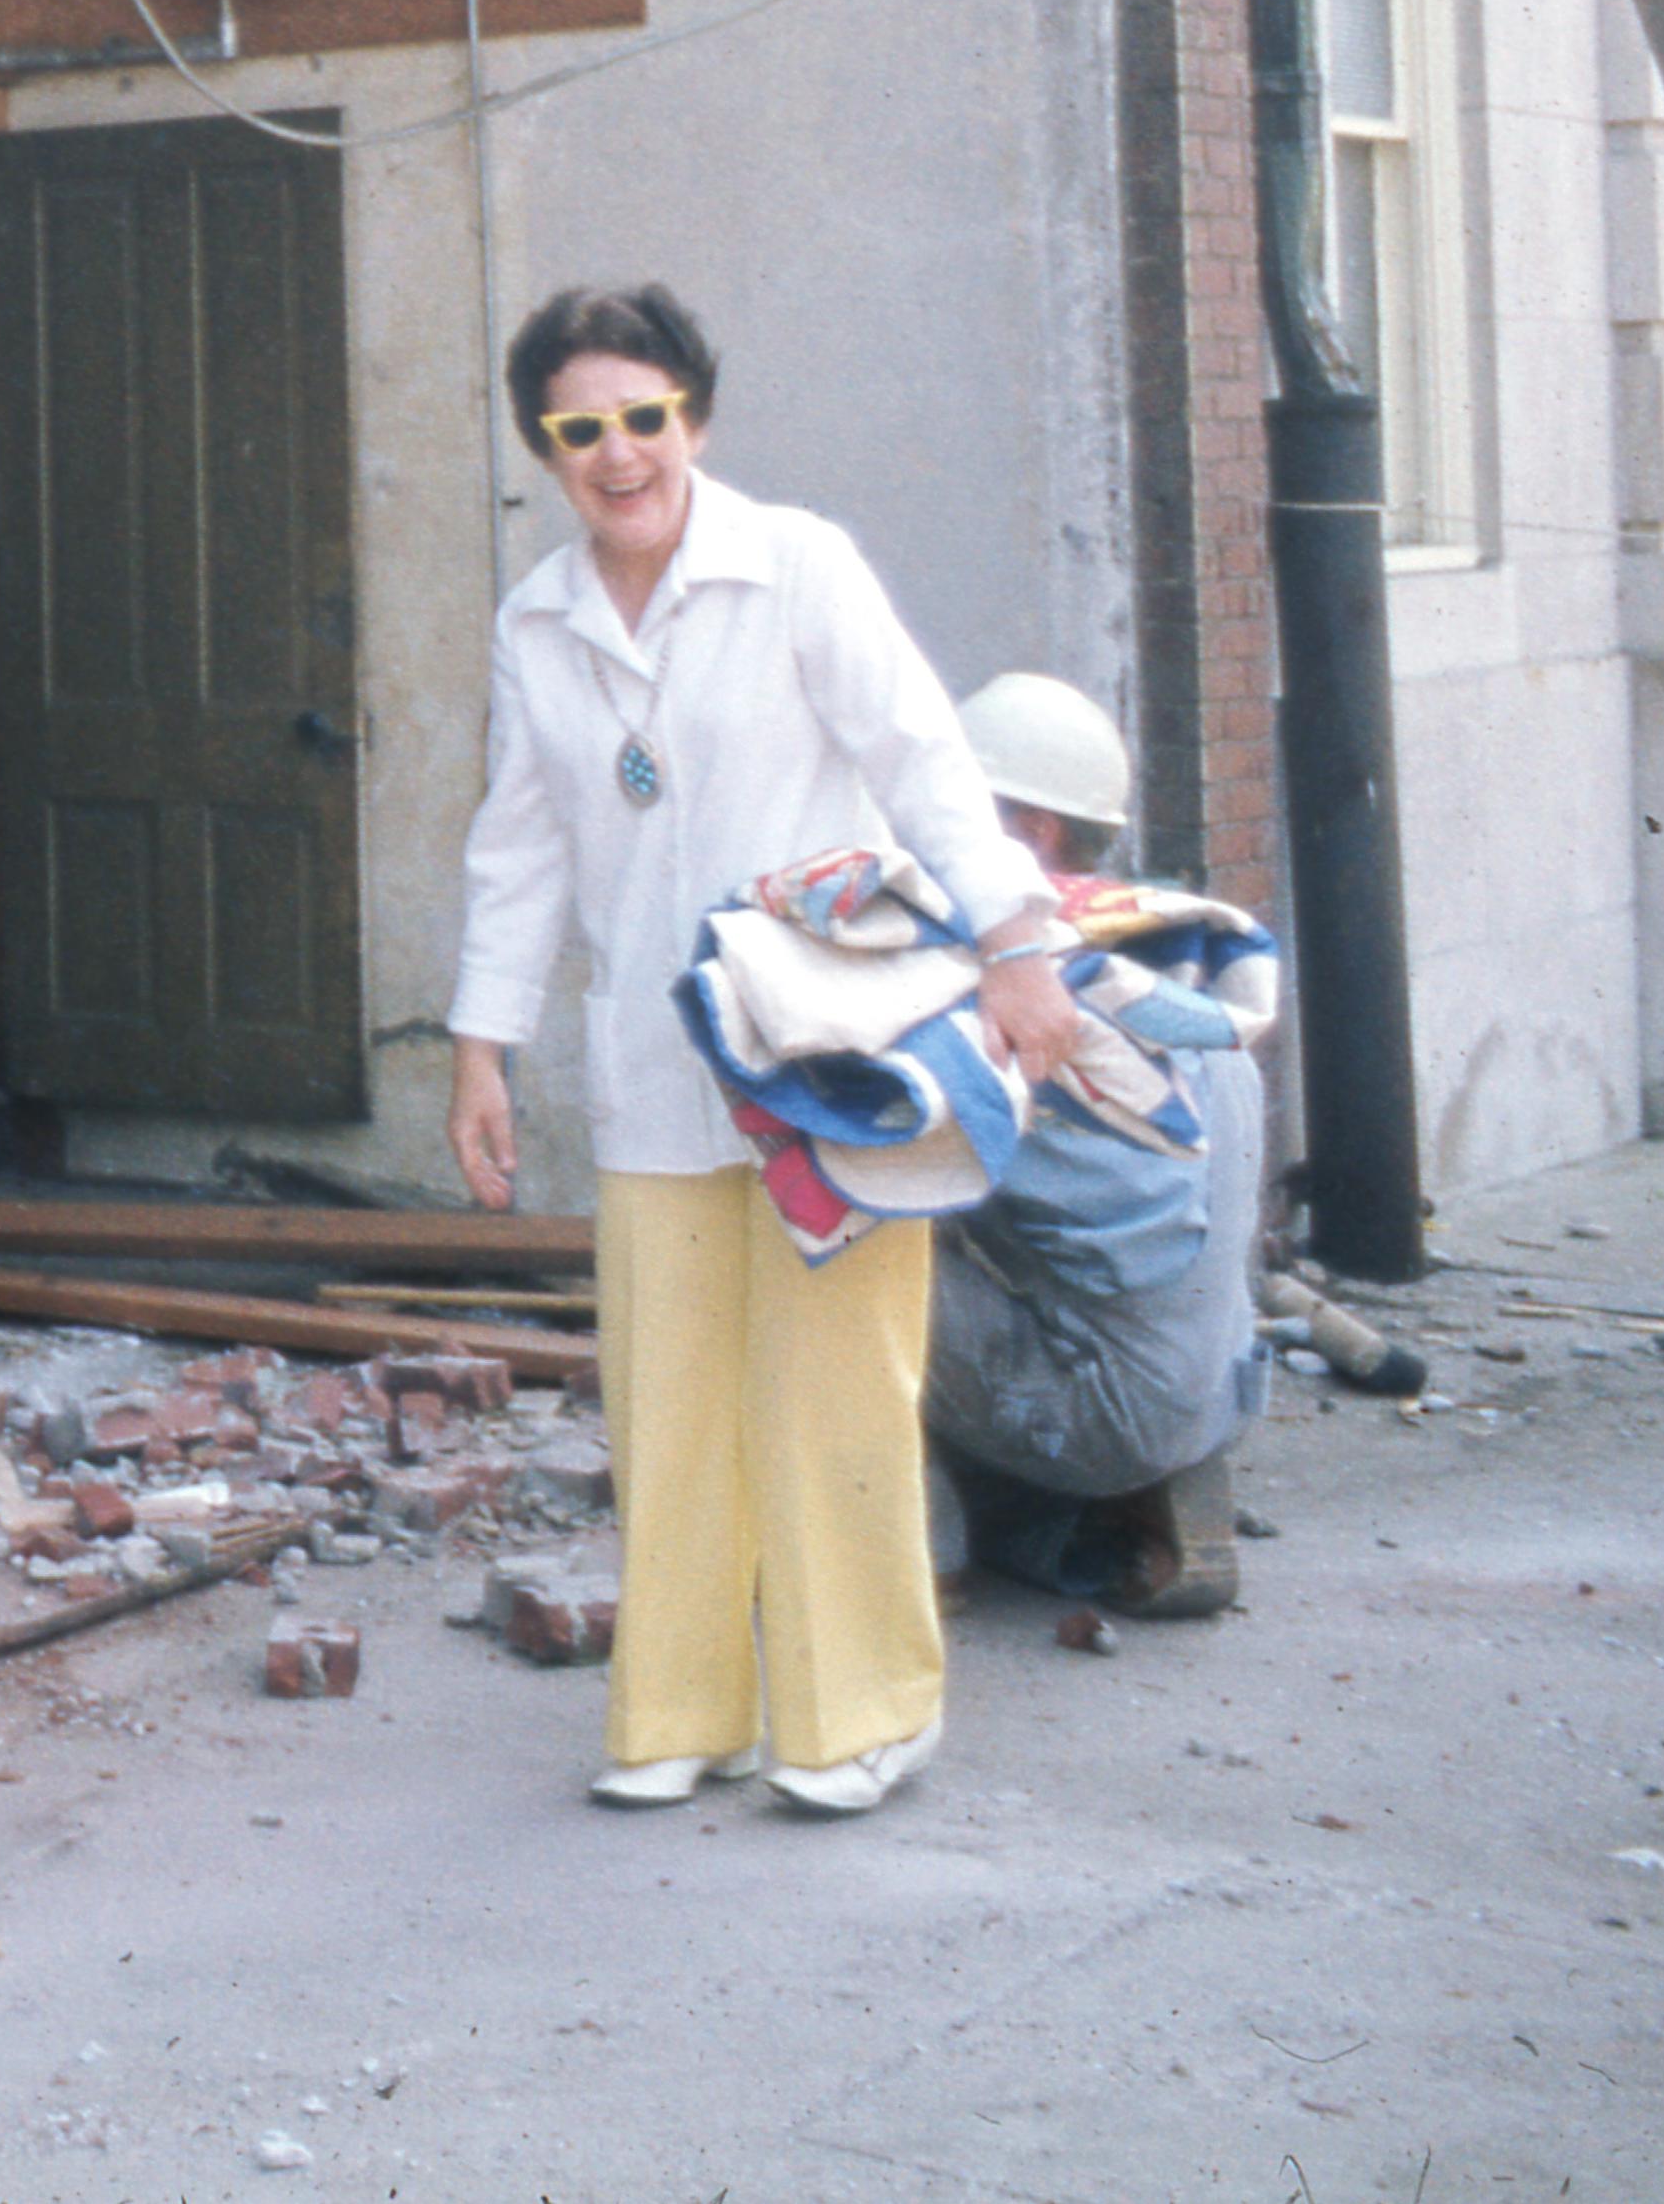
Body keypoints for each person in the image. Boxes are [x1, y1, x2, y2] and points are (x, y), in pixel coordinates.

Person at [444, 284, 1089, 1818]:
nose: (618, 453)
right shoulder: (537, 621)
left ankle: (863, 1712)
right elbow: (519, 844)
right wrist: (482, 1046)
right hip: (655, 1068)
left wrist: (1018, 945)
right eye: (580, 428)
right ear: (546, 446)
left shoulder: (799, 565)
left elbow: (924, 760)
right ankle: (682, 1708)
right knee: (665, 1400)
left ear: (696, 417)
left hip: (829, 1064)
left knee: (835, 1395)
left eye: (644, 416)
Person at [921, 673, 1275, 1619]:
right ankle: (1133, 1490)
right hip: (1217, 1388)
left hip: (1108, 1407)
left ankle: (924, 1553)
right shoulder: (1167, 965)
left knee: (840, 1235)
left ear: (1032, 833)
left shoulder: (1035, 1001)